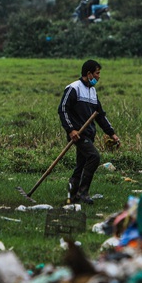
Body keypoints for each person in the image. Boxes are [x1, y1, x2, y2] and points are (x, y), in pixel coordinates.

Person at [57, 59, 120, 204]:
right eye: (97, 73)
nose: (99, 77)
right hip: (78, 135)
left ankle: (72, 195)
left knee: (81, 164)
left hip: (89, 134)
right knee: (94, 157)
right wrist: (70, 130)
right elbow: (63, 109)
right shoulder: (73, 88)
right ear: (89, 74)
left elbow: (100, 115)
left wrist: (112, 133)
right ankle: (83, 192)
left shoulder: (92, 92)